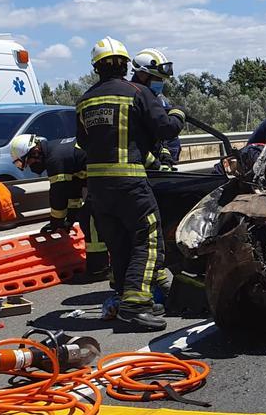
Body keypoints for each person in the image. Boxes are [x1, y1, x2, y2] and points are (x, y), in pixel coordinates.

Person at [75, 36, 185, 331]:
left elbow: (83, 142)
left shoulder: (85, 100)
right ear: (125, 64)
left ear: (96, 68)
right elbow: (164, 129)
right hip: (130, 182)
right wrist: (177, 114)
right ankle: (136, 307)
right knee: (147, 241)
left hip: (98, 188)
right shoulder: (137, 92)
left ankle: (125, 299)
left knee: (119, 243)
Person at [9, 133, 109, 278]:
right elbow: (73, 189)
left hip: (107, 177)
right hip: (103, 177)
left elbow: (59, 194)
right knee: (90, 216)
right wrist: (70, 218)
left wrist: (56, 222)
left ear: (35, 151)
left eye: (29, 162)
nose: (31, 167)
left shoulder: (55, 159)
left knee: (90, 220)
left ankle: (98, 269)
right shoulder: (57, 149)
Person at [131, 48, 182, 170]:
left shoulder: (159, 101)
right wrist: (153, 163)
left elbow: (165, 133)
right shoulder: (130, 99)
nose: (160, 83)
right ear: (142, 75)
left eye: (162, 80)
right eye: (157, 79)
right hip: (137, 170)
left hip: (156, 171)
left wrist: (166, 153)